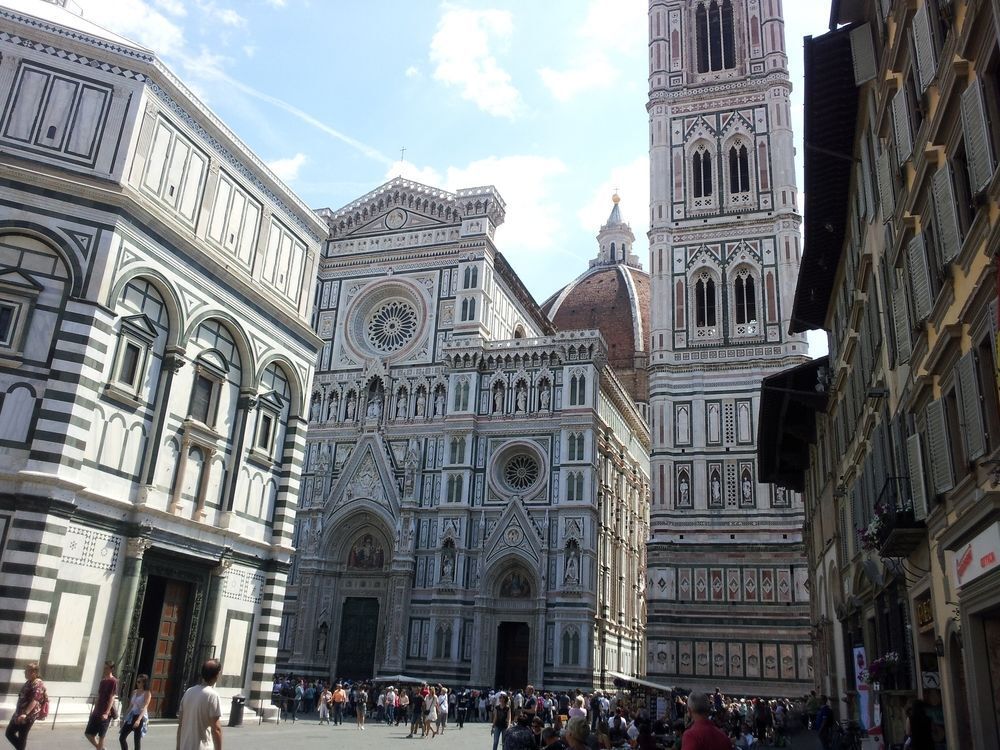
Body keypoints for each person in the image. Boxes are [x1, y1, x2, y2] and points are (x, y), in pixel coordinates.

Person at [176, 659, 222, 750]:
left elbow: (181, 724)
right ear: (216, 675)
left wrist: (178, 746)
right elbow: (216, 729)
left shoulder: (189, 692)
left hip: (185, 746)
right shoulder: (212, 695)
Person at [6, 662, 47, 750]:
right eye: (25, 670)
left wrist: (25, 714)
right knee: (9, 733)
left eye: (27, 671)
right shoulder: (29, 682)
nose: (25, 672)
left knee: (21, 736)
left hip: (27, 716)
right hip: (19, 713)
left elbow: (35, 700)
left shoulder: (38, 684)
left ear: (34, 672)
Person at [85, 661, 119, 750]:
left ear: (112, 669)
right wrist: (94, 710)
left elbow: (112, 697)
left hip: (105, 713)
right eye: (104, 668)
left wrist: (107, 713)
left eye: (107, 668)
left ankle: (100, 748)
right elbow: (99, 696)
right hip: (97, 711)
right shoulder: (103, 681)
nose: (105, 670)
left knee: (101, 736)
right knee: (88, 733)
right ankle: (100, 748)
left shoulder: (113, 681)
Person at [119, 674, 150, 750]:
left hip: (140, 716)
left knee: (136, 741)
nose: (137, 683)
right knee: (122, 737)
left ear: (144, 683)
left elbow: (144, 707)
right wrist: (123, 718)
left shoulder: (147, 693)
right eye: (137, 681)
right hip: (132, 715)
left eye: (139, 682)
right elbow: (130, 706)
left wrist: (138, 720)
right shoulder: (134, 692)